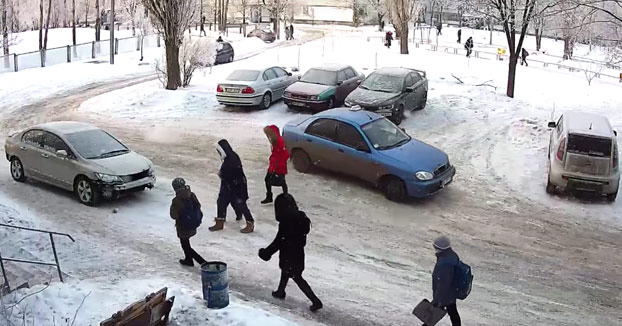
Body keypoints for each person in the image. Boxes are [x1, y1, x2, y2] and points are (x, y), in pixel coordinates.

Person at [258, 193, 323, 312]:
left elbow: (278, 241)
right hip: (298, 254)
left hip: (289, 254)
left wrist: (266, 253)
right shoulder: (300, 218)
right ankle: (280, 291)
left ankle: (316, 301)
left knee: (296, 277)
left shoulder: (286, 223)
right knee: (286, 272)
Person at [210, 139, 255, 233]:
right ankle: (220, 221)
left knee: (240, 203)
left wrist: (222, 174)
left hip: (237, 186)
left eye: (219, 151)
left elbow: (232, 173)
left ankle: (250, 223)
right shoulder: (229, 157)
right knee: (221, 202)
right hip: (228, 185)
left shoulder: (231, 159)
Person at [422, 236, 461, 326]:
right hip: (451, 291)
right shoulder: (452, 255)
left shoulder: (445, 262)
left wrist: (437, 299)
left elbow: (444, 282)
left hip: (445, 293)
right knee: (453, 312)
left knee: (433, 313)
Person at [170, 178, 207, 267]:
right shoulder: (192, 195)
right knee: (186, 244)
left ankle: (202, 262)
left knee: (185, 245)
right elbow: (198, 206)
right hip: (194, 223)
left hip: (183, 226)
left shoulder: (177, 200)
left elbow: (174, 215)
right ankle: (188, 259)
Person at [261, 125, 289, 204]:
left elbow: (284, 154)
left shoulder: (279, 142)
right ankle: (272, 196)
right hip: (274, 164)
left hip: (278, 165)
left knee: (281, 181)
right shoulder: (275, 141)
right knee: (270, 180)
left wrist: (276, 166)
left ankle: (283, 197)